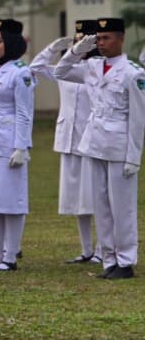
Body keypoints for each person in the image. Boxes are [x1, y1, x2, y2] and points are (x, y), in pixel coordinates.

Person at [54, 17, 145, 280]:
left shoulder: (133, 73)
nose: (102, 43)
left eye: (107, 38)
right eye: (99, 39)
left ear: (121, 38)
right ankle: (108, 260)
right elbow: (60, 72)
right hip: (93, 144)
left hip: (119, 146)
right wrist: (78, 49)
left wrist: (134, 157)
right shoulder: (91, 67)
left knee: (122, 207)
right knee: (101, 206)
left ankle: (125, 261)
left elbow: (138, 119)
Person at [30, 20, 99, 264]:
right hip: (68, 137)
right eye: (76, 37)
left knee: (94, 197)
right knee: (76, 200)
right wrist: (52, 48)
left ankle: (102, 250)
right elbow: (36, 67)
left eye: (85, 38)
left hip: (90, 139)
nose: (80, 41)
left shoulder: (96, 67)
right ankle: (86, 249)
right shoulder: (65, 67)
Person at [0, 19, 33, 271]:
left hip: (10, 142)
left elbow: (25, 113)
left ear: (11, 43)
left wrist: (22, 146)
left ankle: (10, 255)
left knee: (11, 202)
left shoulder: (20, 71)